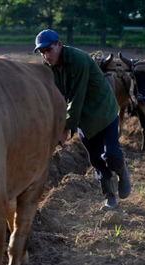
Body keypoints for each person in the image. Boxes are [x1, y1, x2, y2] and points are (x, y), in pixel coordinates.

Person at [33, 29, 131, 209]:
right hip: (84, 119)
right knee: (96, 160)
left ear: (59, 44)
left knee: (111, 154)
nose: (46, 55)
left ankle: (123, 172)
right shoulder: (49, 67)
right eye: (42, 52)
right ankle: (110, 197)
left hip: (103, 111)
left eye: (49, 50)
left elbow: (76, 97)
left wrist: (65, 129)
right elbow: (57, 98)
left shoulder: (78, 60)